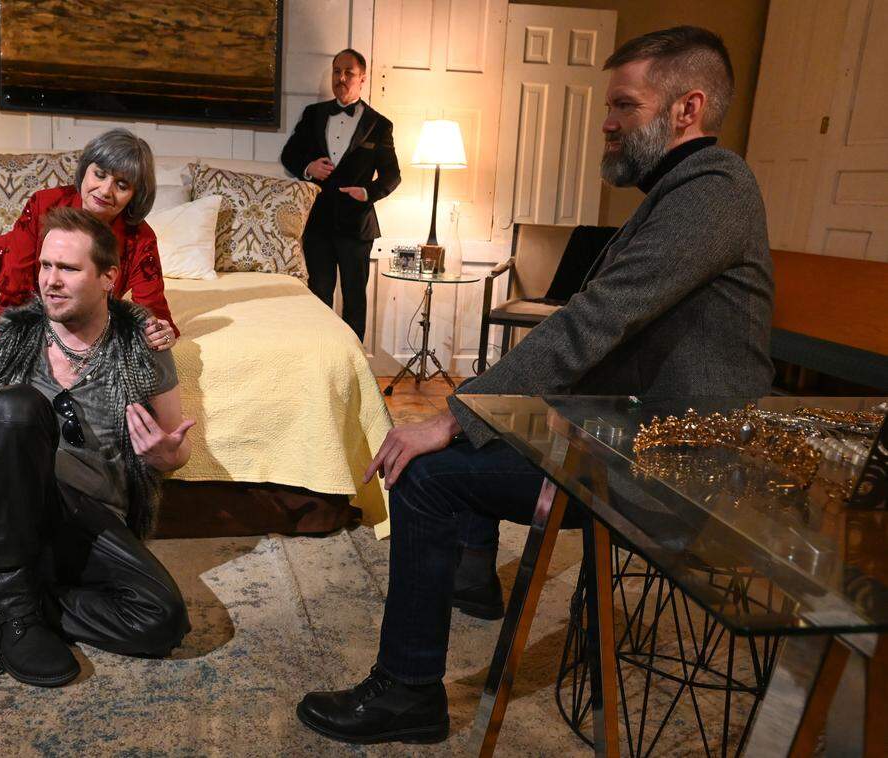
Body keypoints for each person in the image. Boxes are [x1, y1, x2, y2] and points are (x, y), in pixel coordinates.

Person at [296, 26, 774, 744]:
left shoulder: (712, 193)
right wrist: (551, 438)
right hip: (631, 435)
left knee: (427, 470)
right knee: (488, 428)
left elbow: (595, 321)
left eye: (624, 105)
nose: (607, 122)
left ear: (688, 109)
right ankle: (471, 576)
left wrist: (457, 416)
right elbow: (616, 341)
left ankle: (409, 692)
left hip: (677, 464)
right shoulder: (683, 191)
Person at [0, 207, 195, 688]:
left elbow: (174, 448)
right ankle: (15, 617)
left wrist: (165, 457)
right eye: (45, 265)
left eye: (69, 268)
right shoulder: (4, 336)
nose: (50, 281)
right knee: (17, 406)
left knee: (162, 619)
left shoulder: (143, 341)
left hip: (89, 517)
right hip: (4, 508)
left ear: (108, 278)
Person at [0, 128, 179, 352]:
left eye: (122, 185)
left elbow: (153, 310)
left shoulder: (140, 238)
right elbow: (16, 277)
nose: (105, 190)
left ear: (135, 195)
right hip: (8, 255)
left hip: (46, 292)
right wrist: (3, 320)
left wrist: (159, 331)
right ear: (85, 170)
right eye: (99, 174)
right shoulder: (45, 203)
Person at [280, 48, 401, 341]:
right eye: (337, 71)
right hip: (318, 224)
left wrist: (366, 192)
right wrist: (308, 167)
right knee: (318, 297)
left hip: (357, 226)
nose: (341, 78)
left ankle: (353, 361)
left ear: (362, 78)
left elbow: (392, 175)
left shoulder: (379, 125)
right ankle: (321, 355)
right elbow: (289, 155)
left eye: (349, 72)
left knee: (354, 300)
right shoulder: (313, 114)